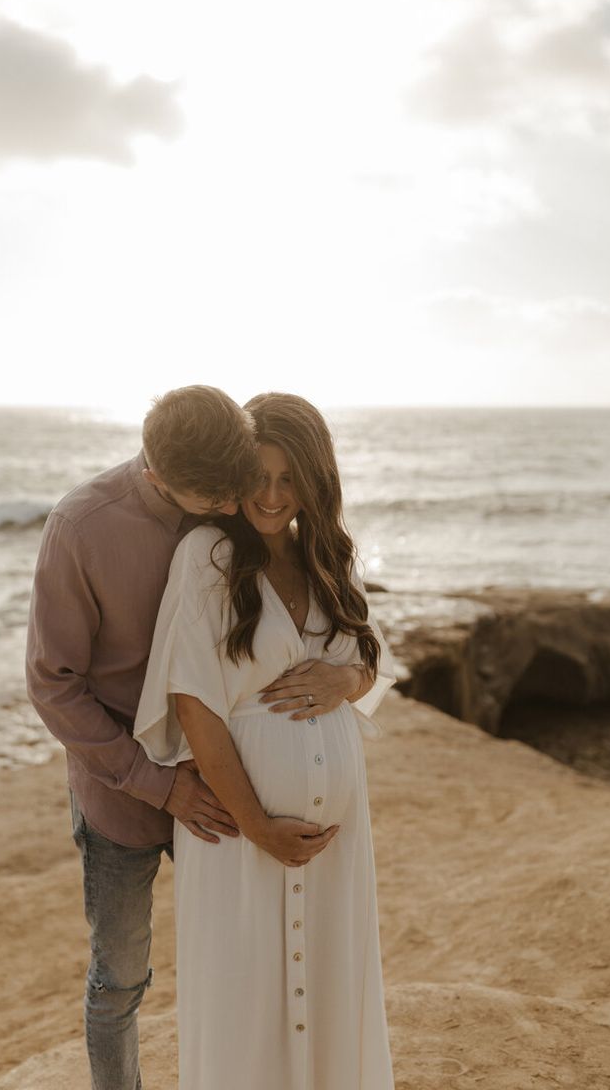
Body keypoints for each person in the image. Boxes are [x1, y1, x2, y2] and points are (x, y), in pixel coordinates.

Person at [27, 385, 343, 1090]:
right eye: (219, 500)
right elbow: (54, 685)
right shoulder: (82, 527)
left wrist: (347, 680)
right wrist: (162, 784)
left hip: (234, 789)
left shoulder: (232, 499)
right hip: (126, 797)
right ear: (157, 478)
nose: (239, 508)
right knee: (120, 979)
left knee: (243, 959)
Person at [134, 392, 396, 1090]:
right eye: (259, 477)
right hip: (240, 837)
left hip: (337, 840)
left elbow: (374, 665)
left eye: (289, 480)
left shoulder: (330, 556)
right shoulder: (207, 555)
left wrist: (346, 681)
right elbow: (194, 705)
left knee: (335, 993)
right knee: (243, 1005)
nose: (273, 496)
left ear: (313, 481)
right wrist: (257, 826)